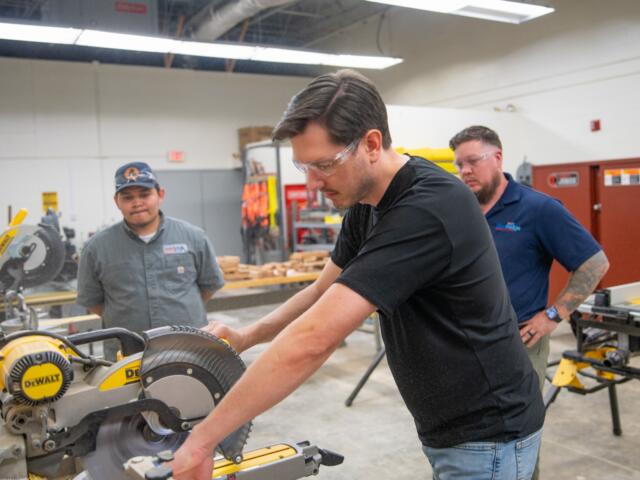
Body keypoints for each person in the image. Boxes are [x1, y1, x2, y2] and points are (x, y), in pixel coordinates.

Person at [171, 70, 544, 480]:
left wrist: (203, 440)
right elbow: (322, 290)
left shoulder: (428, 208)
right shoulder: (367, 202)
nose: (312, 183)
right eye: (303, 166)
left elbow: (314, 340)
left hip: (488, 432)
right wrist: (247, 336)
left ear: (370, 143)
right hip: (448, 427)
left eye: (324, 165)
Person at [449, 125, 610, 479]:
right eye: (459, 164)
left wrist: (553, 314)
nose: (465, 171)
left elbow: (594, 263)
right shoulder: (460, 209)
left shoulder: (538, 208)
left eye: (473, 161)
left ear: (498, 158)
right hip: (463, 345)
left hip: (519, 343)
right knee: (470, 438)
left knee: (517, 438)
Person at [77, 162, 225, 359]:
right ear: (117, 201)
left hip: (188, 349)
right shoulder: (96, 248)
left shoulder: (194, 237)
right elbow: (92, 302)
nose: (137, 203)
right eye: (128, 197)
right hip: (127, 355)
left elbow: (209, 286)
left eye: (145, 195)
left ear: (160, 195)